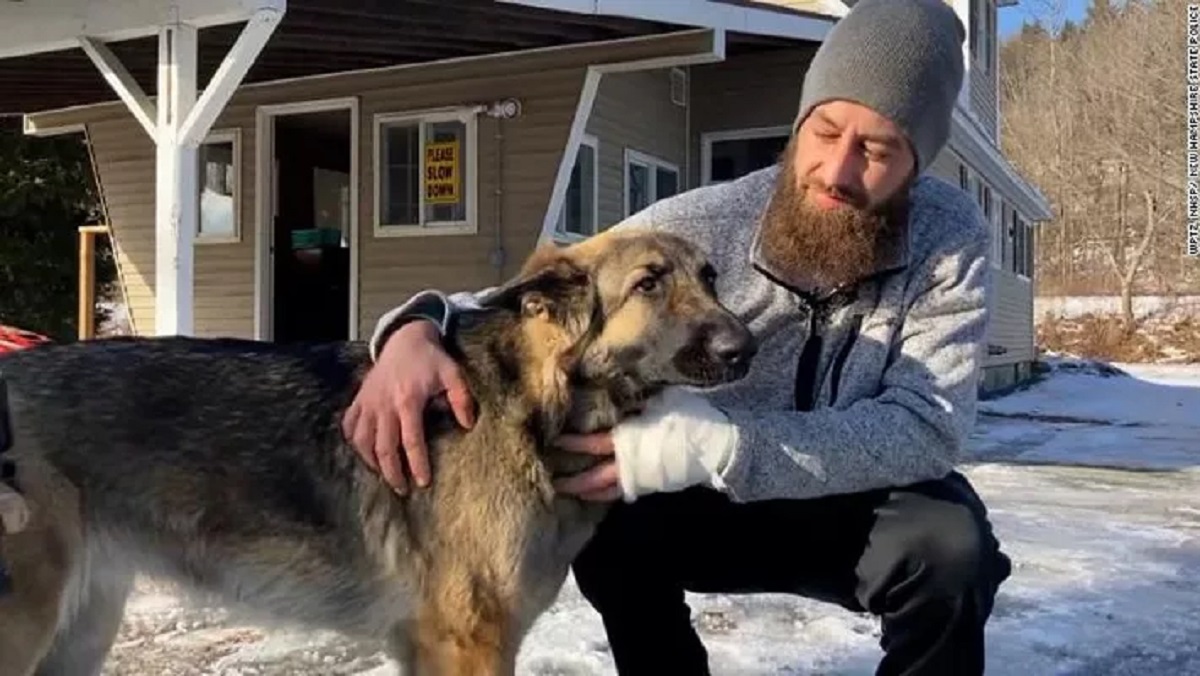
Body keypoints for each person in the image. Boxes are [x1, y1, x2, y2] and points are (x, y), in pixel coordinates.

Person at [341, 0, 1013, 673]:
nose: (836, 171)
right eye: (826, 131)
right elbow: (533, 295)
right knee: (602, 499)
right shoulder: (709, 219)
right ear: (800, 122)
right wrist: (413, 330)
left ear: (915, 165)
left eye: (875, 149)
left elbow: (929, 425)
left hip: (850, 510)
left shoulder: (946, 242)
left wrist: (725, 445)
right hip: (704, 512)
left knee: (951, 545)